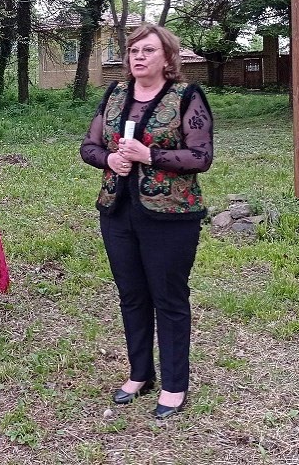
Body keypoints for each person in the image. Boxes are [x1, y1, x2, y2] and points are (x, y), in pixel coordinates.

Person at [80, 24, 213, 419]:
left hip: (172, 216)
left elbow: (201, 157)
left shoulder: (186, 96)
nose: (138, 57)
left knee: (168, 298)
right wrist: (111, 159)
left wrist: (148, 156)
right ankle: (140, 374)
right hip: (118, 211)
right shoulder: (116, 94)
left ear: (168, 58)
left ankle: (175, 383)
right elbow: (88, 146)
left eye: (148, 50)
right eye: (134, 50)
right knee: (132, 294)